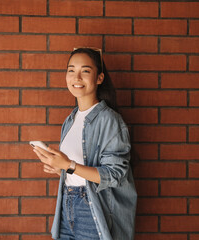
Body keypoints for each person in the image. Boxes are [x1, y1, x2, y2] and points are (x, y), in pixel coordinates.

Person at [32, 47, 137, 240]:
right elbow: (78, 172)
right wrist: (60, 170)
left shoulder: (109, 120)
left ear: (99, 78)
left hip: (93, 210)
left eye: (85, 71)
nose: (76, 77)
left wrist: (68, 166)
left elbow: (114, 175)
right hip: (67, 205)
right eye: (71, 70)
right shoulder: (70, 120)